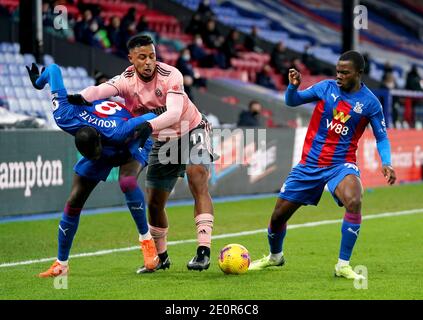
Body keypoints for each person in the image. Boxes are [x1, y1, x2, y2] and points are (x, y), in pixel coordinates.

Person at [75, 35, 218, 272]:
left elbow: (173, 114)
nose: (149, 62)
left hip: (191, 128)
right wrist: (78, 98)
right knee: (153, 202)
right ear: (131, 59)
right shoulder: (125, 80)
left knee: (197, 177)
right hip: (162, 141)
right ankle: (161, 258)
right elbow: (99, 90)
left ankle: (203, 251)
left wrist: (148, 126)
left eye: (152, 56)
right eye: (143, 57)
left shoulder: (171, 75)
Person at [249, 51, 397, 280]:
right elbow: (292, 101)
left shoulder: (370, 103)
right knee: (278, 217)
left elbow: (382, 137)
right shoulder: (326, 88)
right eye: (338, 71)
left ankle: (343, 265)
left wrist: (386, 162)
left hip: (341, 164)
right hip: (309, 163)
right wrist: (292, 87)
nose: (339, 76)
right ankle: (274, 257)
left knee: (355, 199)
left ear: (359, 73)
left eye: (345, 72)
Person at [26, 63, 159, 277]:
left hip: (130, 141)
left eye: (94, 154)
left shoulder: (116, 131)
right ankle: (61, 264)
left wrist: (142, 133)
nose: (94, 158)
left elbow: (152, 117)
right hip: (106, 143)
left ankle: (146, 241)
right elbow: (52, 69)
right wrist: (38, 83)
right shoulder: (64, 116)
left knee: (126, 181)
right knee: (74, 200)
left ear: (98, 139)